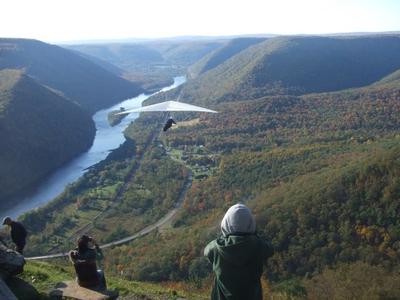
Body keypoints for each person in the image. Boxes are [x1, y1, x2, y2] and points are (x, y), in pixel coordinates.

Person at [204, 204, 273, 300]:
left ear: (226, 223)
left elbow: (206, 252)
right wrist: (254, 236)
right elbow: (270, 249)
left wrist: (223, 238)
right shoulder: (259, 245)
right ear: (250, 223)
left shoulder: (216, 248)